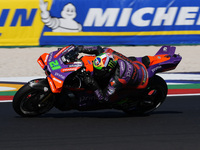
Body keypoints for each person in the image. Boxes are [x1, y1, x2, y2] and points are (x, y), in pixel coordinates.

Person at [64, 45, 149, 102]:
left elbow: (103, 98)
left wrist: (92, 84)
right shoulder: (107, 53)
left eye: (98, 70)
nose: (96, 71)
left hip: (138, 82)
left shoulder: (116, 81)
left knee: (112, 99)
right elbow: (97, 48)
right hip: (133, 63)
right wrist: (79, 49)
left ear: (109, 70)